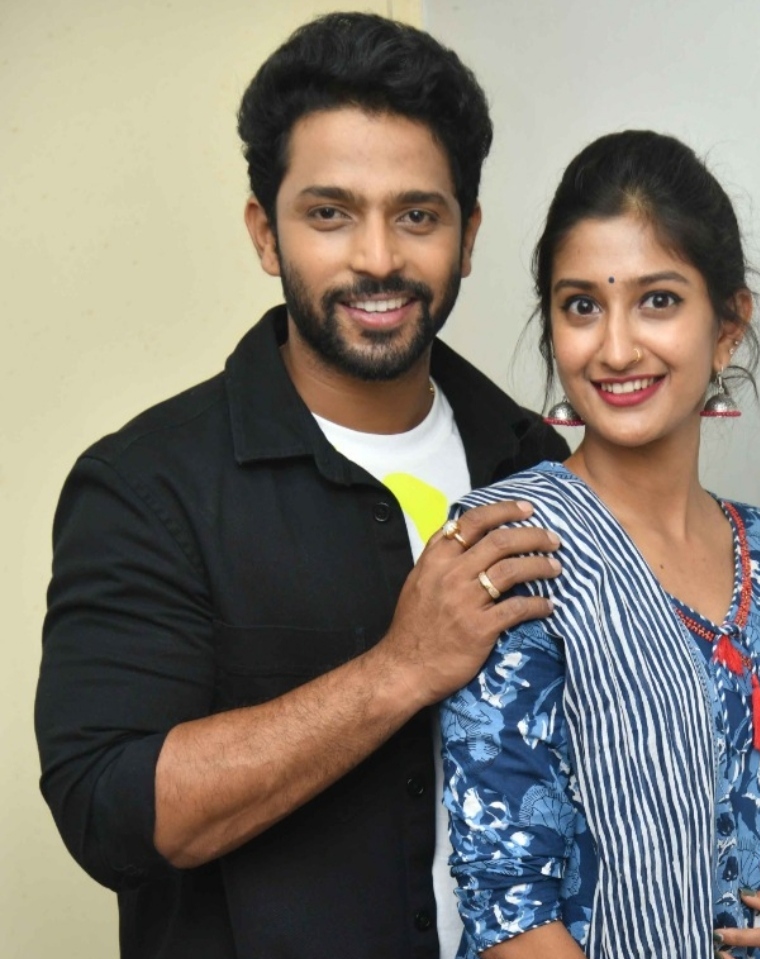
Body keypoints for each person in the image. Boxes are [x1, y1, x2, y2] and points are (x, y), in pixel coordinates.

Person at [34, 13, 572, 959]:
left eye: (418, 215)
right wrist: (397, 669)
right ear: (265, 233)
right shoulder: (147, 486)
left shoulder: (535, 462)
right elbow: (110, 812)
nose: (378, 257)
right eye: (330, 213)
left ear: (468, 235)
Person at [440, 131, 760, 959]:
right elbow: (509, 910)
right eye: (581, 305)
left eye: (657, 300)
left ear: (728, 326)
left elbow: (744, 812)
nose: (616, 347)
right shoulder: (510, 547)